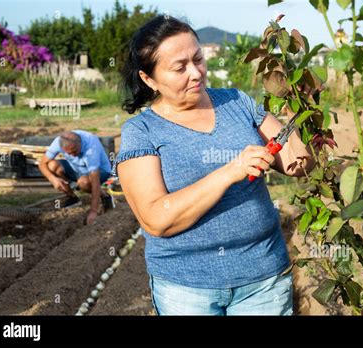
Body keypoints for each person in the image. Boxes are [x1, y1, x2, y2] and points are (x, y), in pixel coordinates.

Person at [114, 15, 314, 315]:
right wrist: (229, 172)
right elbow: (156, 218)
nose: (196, 73)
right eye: (180, 68)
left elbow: (298, 164)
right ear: (149, 79)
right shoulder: (142, 131)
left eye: (198, 59)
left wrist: (304, 112)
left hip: (263, 279)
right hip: (187, 288)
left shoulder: (236, 102)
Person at [39, 130, 114, 225]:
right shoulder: (59, 142)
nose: (73, 155)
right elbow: (42, 163)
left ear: (80, 143)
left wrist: (93, 211)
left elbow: (95, 182)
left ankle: (105, 196)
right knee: (52, 166)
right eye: (69, 153)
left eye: (75, 151)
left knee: (83, 183)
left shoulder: (91, 148)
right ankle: (73, 198)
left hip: (101, 171)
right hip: (76, 169)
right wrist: (52, 179)